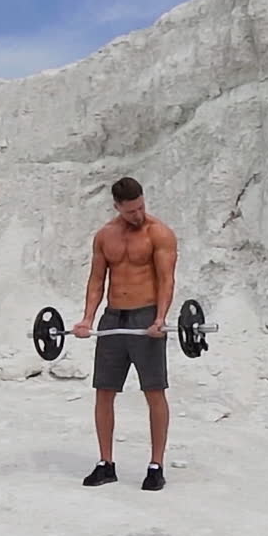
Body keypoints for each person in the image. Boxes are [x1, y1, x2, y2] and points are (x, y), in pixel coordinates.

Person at [72, 177, 178, 492]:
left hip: (146, 318)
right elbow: (96, 281)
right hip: (113, 319)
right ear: (117, 207)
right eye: (131, 211)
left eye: (141, 207)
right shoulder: (105, 236)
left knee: (154, 392)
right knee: (104, 391)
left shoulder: (158, 233)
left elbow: (166, 280)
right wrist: (87, 319)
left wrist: (161, 318)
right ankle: (106, 464)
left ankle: (155, 466)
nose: (138, 215)